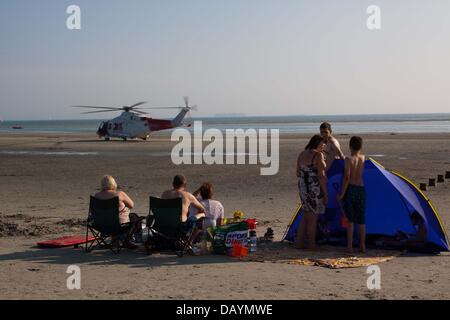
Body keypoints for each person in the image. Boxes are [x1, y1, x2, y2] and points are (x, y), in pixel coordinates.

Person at [295, 135, 328, 250]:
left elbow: (298, 173)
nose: (324, 147)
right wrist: (325, 193)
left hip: (303, 187)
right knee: (313, 218)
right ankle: (311, 244)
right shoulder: (318, 155)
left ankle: (299, 243)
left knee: (305, 215)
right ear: (318, 143)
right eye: (323, 144)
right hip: (314, 188)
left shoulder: (302, 154)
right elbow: (321, 177)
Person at [94, 175, 140, 249]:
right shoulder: (119, 194)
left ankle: (114, 240)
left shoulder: (96, 196)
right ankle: (127, 241)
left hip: (101, 225)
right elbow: (132, 205)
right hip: (117, 226)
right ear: (113, 184)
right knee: (134, 217)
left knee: (111, 217)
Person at [337, 136, 366, 253]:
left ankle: (349, 246)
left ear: (350, 146)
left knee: (350, 219)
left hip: (352, 189)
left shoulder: (348, 159)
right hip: (361, 189)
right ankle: (362, 245)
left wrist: (342, 194)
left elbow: (347, 177)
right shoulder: (363, 158)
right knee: (361, 219)